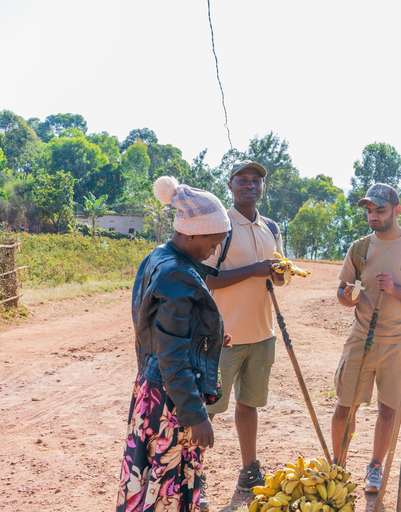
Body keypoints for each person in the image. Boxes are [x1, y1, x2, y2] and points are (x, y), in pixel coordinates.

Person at [116, 176, 230, 512]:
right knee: (168, 487)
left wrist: (206, 337)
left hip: (153, 390)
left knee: (149, 479)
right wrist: (195, 415)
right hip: (171, 400)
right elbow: (172, 354)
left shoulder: (158, 257)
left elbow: (159, 330)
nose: (214, 250)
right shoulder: (178, 274)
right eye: (213, 242)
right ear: (193, 232)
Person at [203, 162, 285, 495]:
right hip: (223, 337)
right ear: (230, 185)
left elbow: (276, 273)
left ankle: (250, 470)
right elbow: (207, 278)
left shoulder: (271, 227)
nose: (250, 185)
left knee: (248, 406)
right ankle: (192, 475)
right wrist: (255, 269)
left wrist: (278, 274)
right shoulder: (220, 227)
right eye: (243, 180)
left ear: (262, 188)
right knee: (206, 409)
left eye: (256, 181)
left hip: (263, 334)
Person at [333, 183, 401, 492]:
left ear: (397, 210)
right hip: (361, 337)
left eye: (380, 210)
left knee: (389, 410)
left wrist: (394, 289)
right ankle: (338, 467)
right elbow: (342, 291)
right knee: (345, 407)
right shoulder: (359, 248)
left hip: (400, 342)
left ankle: (375, 467)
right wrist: (348, 297)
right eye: (369, 211)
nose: (373, 216)